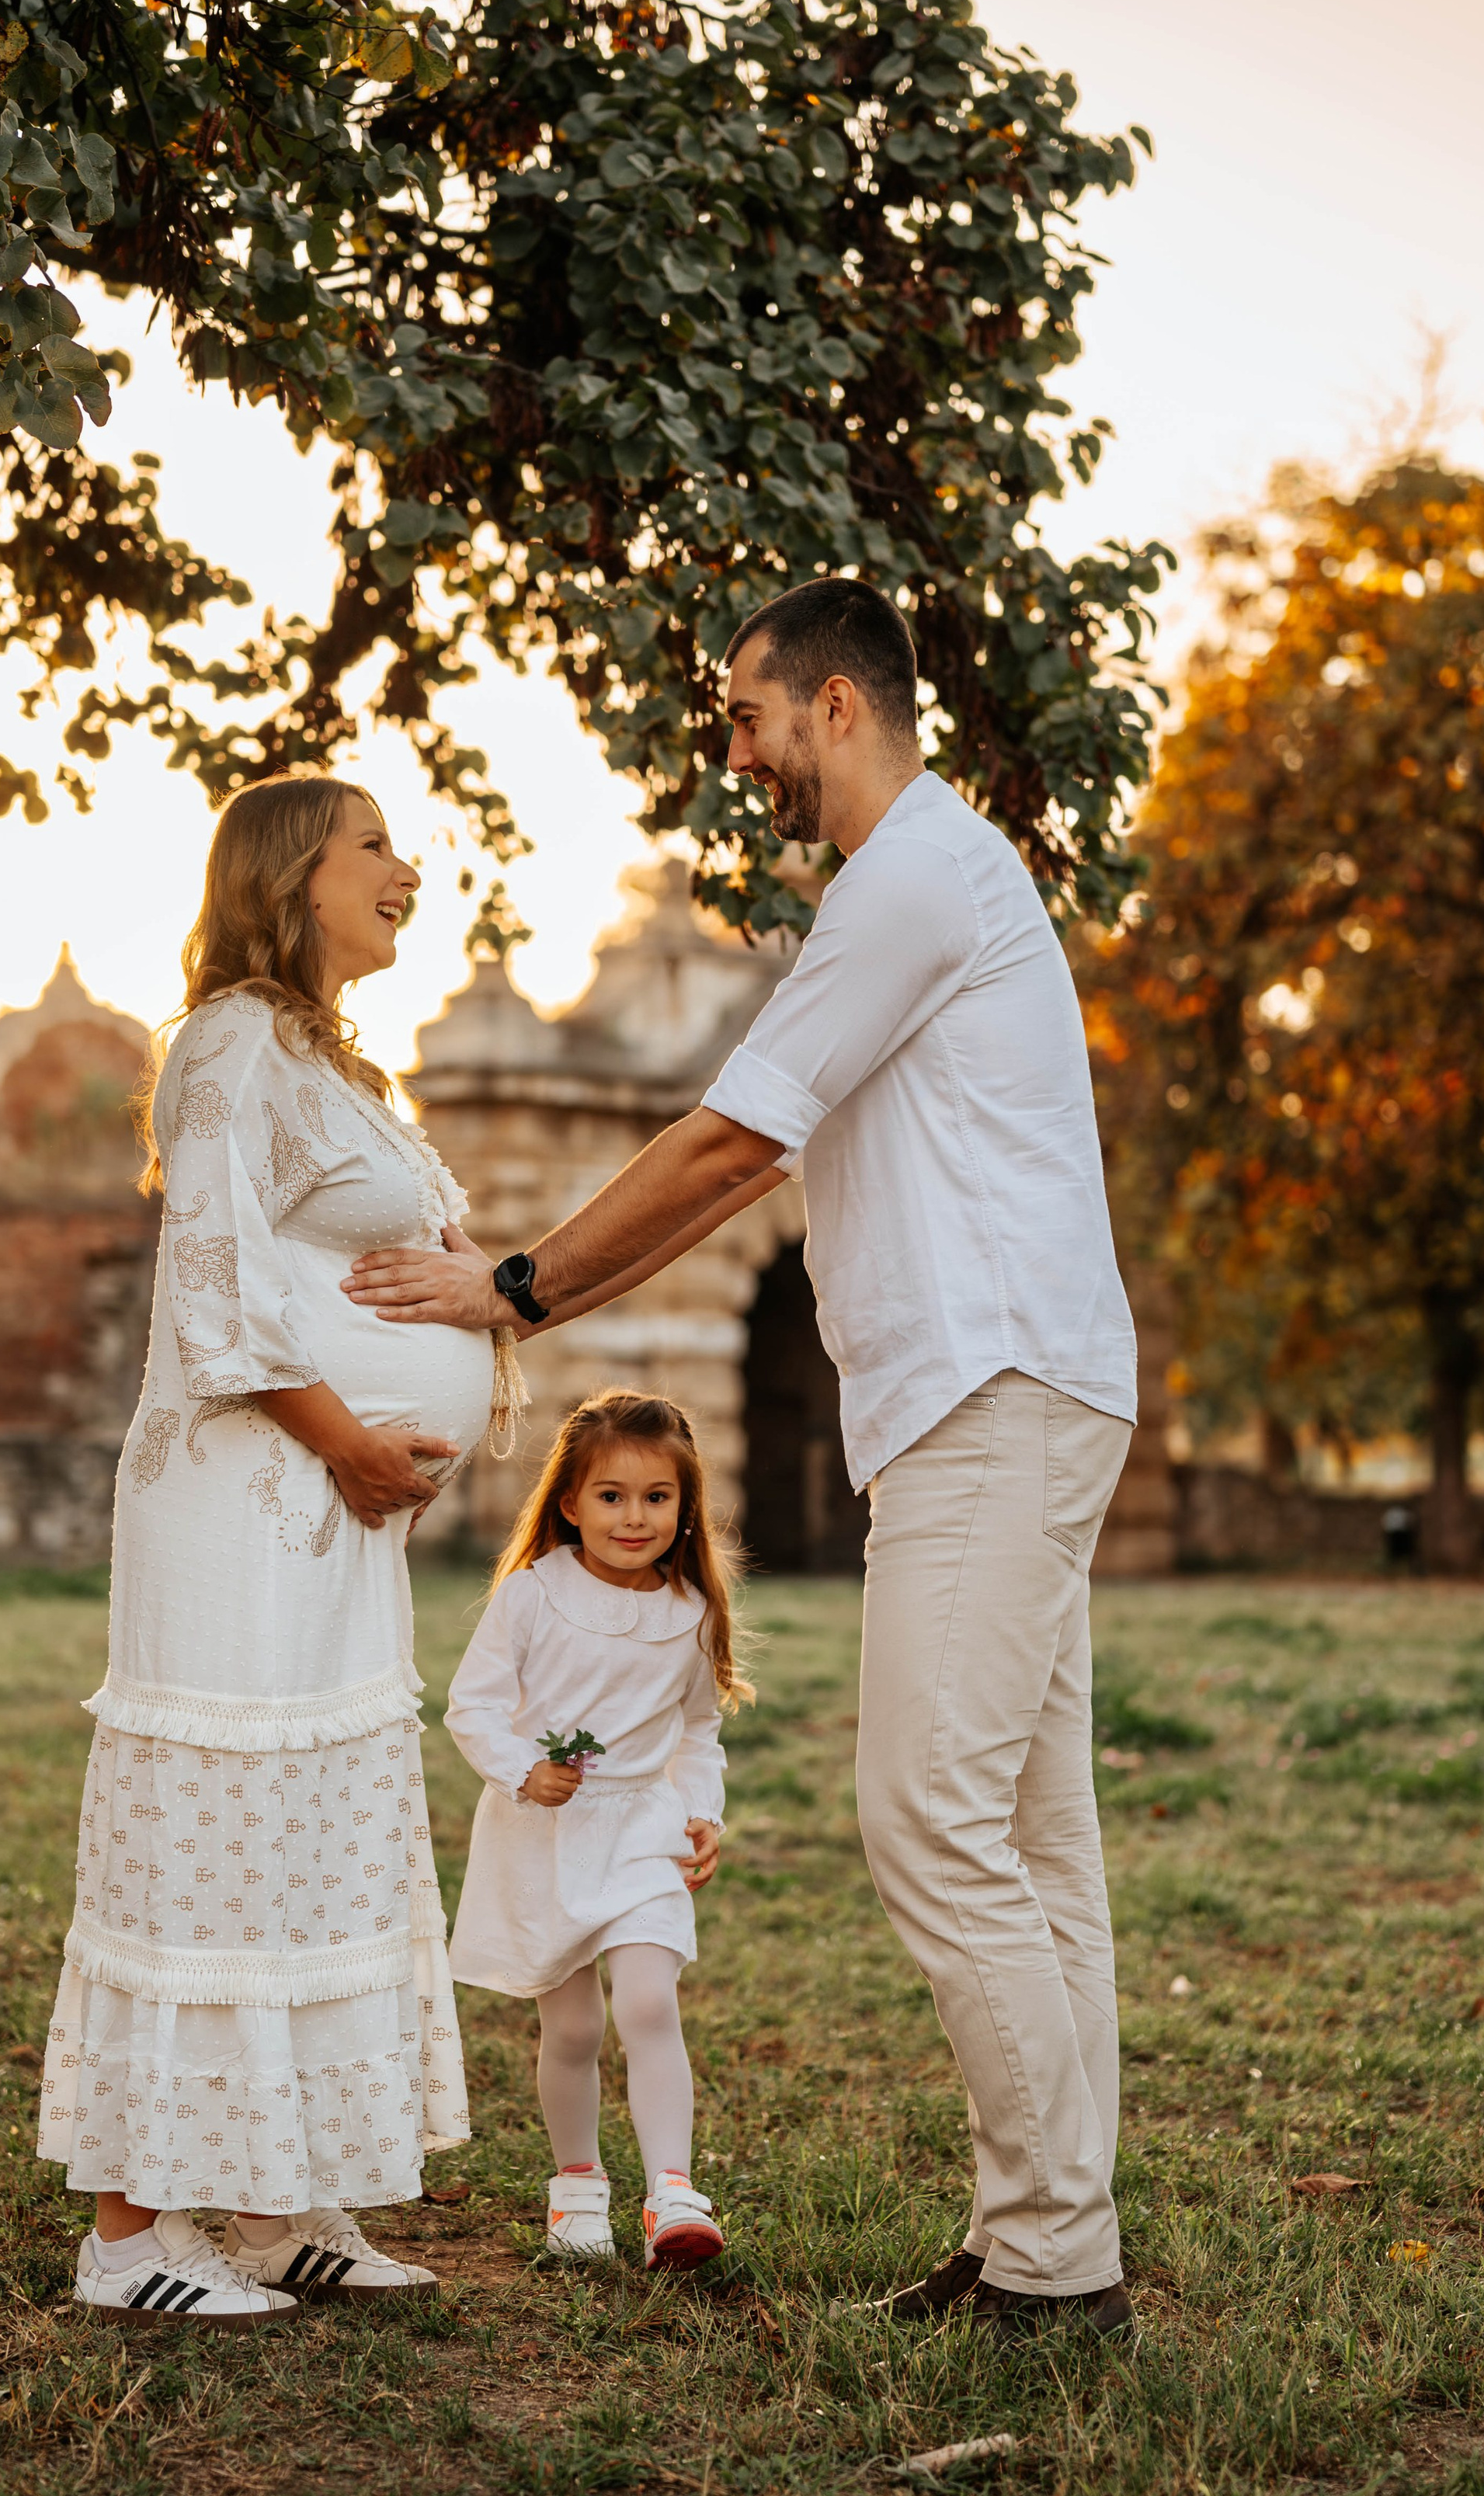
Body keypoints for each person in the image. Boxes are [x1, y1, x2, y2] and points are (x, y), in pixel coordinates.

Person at [343, 579, 1140, 2344]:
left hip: (992, 1393)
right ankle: (1040, 2236)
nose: (738, 754)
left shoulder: (908, 880)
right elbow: (755, 1152)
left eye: (747, 717)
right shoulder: (933, 880)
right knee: (1029, 1842)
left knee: (931, 1821)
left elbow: (726, 1147)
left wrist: (516, 1286)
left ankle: (1056, 2261)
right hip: (1014, 1390)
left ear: (837, 704)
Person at [38, 772, 507, 2326]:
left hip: (333, 1507)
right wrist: (353, 1439)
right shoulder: (231, 1043)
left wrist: (430, 1397)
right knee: (218, 1827)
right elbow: (214, 1291)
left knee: (310, 1832)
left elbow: (418, 1263)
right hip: (243, 1501)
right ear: (292, 875)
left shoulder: (332, 1061)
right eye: (374, 845)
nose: (405, 867)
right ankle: (128, 2238)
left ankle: (275, 2206)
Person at [444, 1391, 740, 2271]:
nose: (634, 1517)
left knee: (649, 2004)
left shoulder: (691, 1609)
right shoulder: (533, 1595)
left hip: (643, 1829)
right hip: (547, 1834)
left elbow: (697, 1728)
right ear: (570, 1503)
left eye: (657, 1497)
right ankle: (577, 2184)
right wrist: (521, 1770)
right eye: (612, 1496)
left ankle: (672, 2193)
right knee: (573, 2030)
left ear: (685, 1506)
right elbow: (473, 1706)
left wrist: (702, 1810)